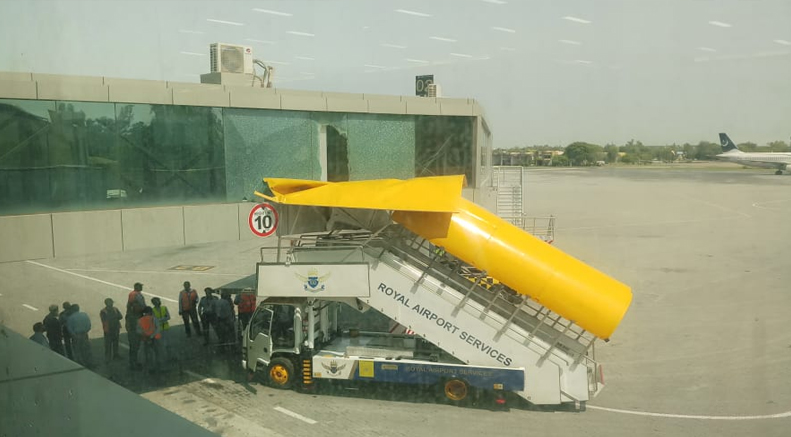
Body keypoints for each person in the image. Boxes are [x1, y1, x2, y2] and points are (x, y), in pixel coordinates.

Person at [126, 282, 146, 370]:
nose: (141, 287)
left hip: (133, 327)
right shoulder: (135, 295)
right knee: (135, 346)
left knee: (134, 347)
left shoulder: (135, 295)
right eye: (140, 286)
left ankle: (133, 362)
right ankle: (133, 364)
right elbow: (139, 306)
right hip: (134, 330)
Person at [136, 306, 162, 373]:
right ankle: (154, 367)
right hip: (154, 338)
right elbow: (158, 328)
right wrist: (152, 336)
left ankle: (145, 367)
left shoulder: (140, 320)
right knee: (155, 353)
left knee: (144, 353)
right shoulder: (154, 319)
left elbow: (138, 330)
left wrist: (144, 334)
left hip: (144, 339)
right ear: (150, 312)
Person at [100, 298, 123, 363]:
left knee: (115, 342)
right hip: (109, 329)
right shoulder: (103, 311)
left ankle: (115, 355)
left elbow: (121, 316)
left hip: (115, 328)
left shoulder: (114, 309)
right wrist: (114, 318)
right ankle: (108, 357)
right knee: (108, 344)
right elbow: (104, 320)